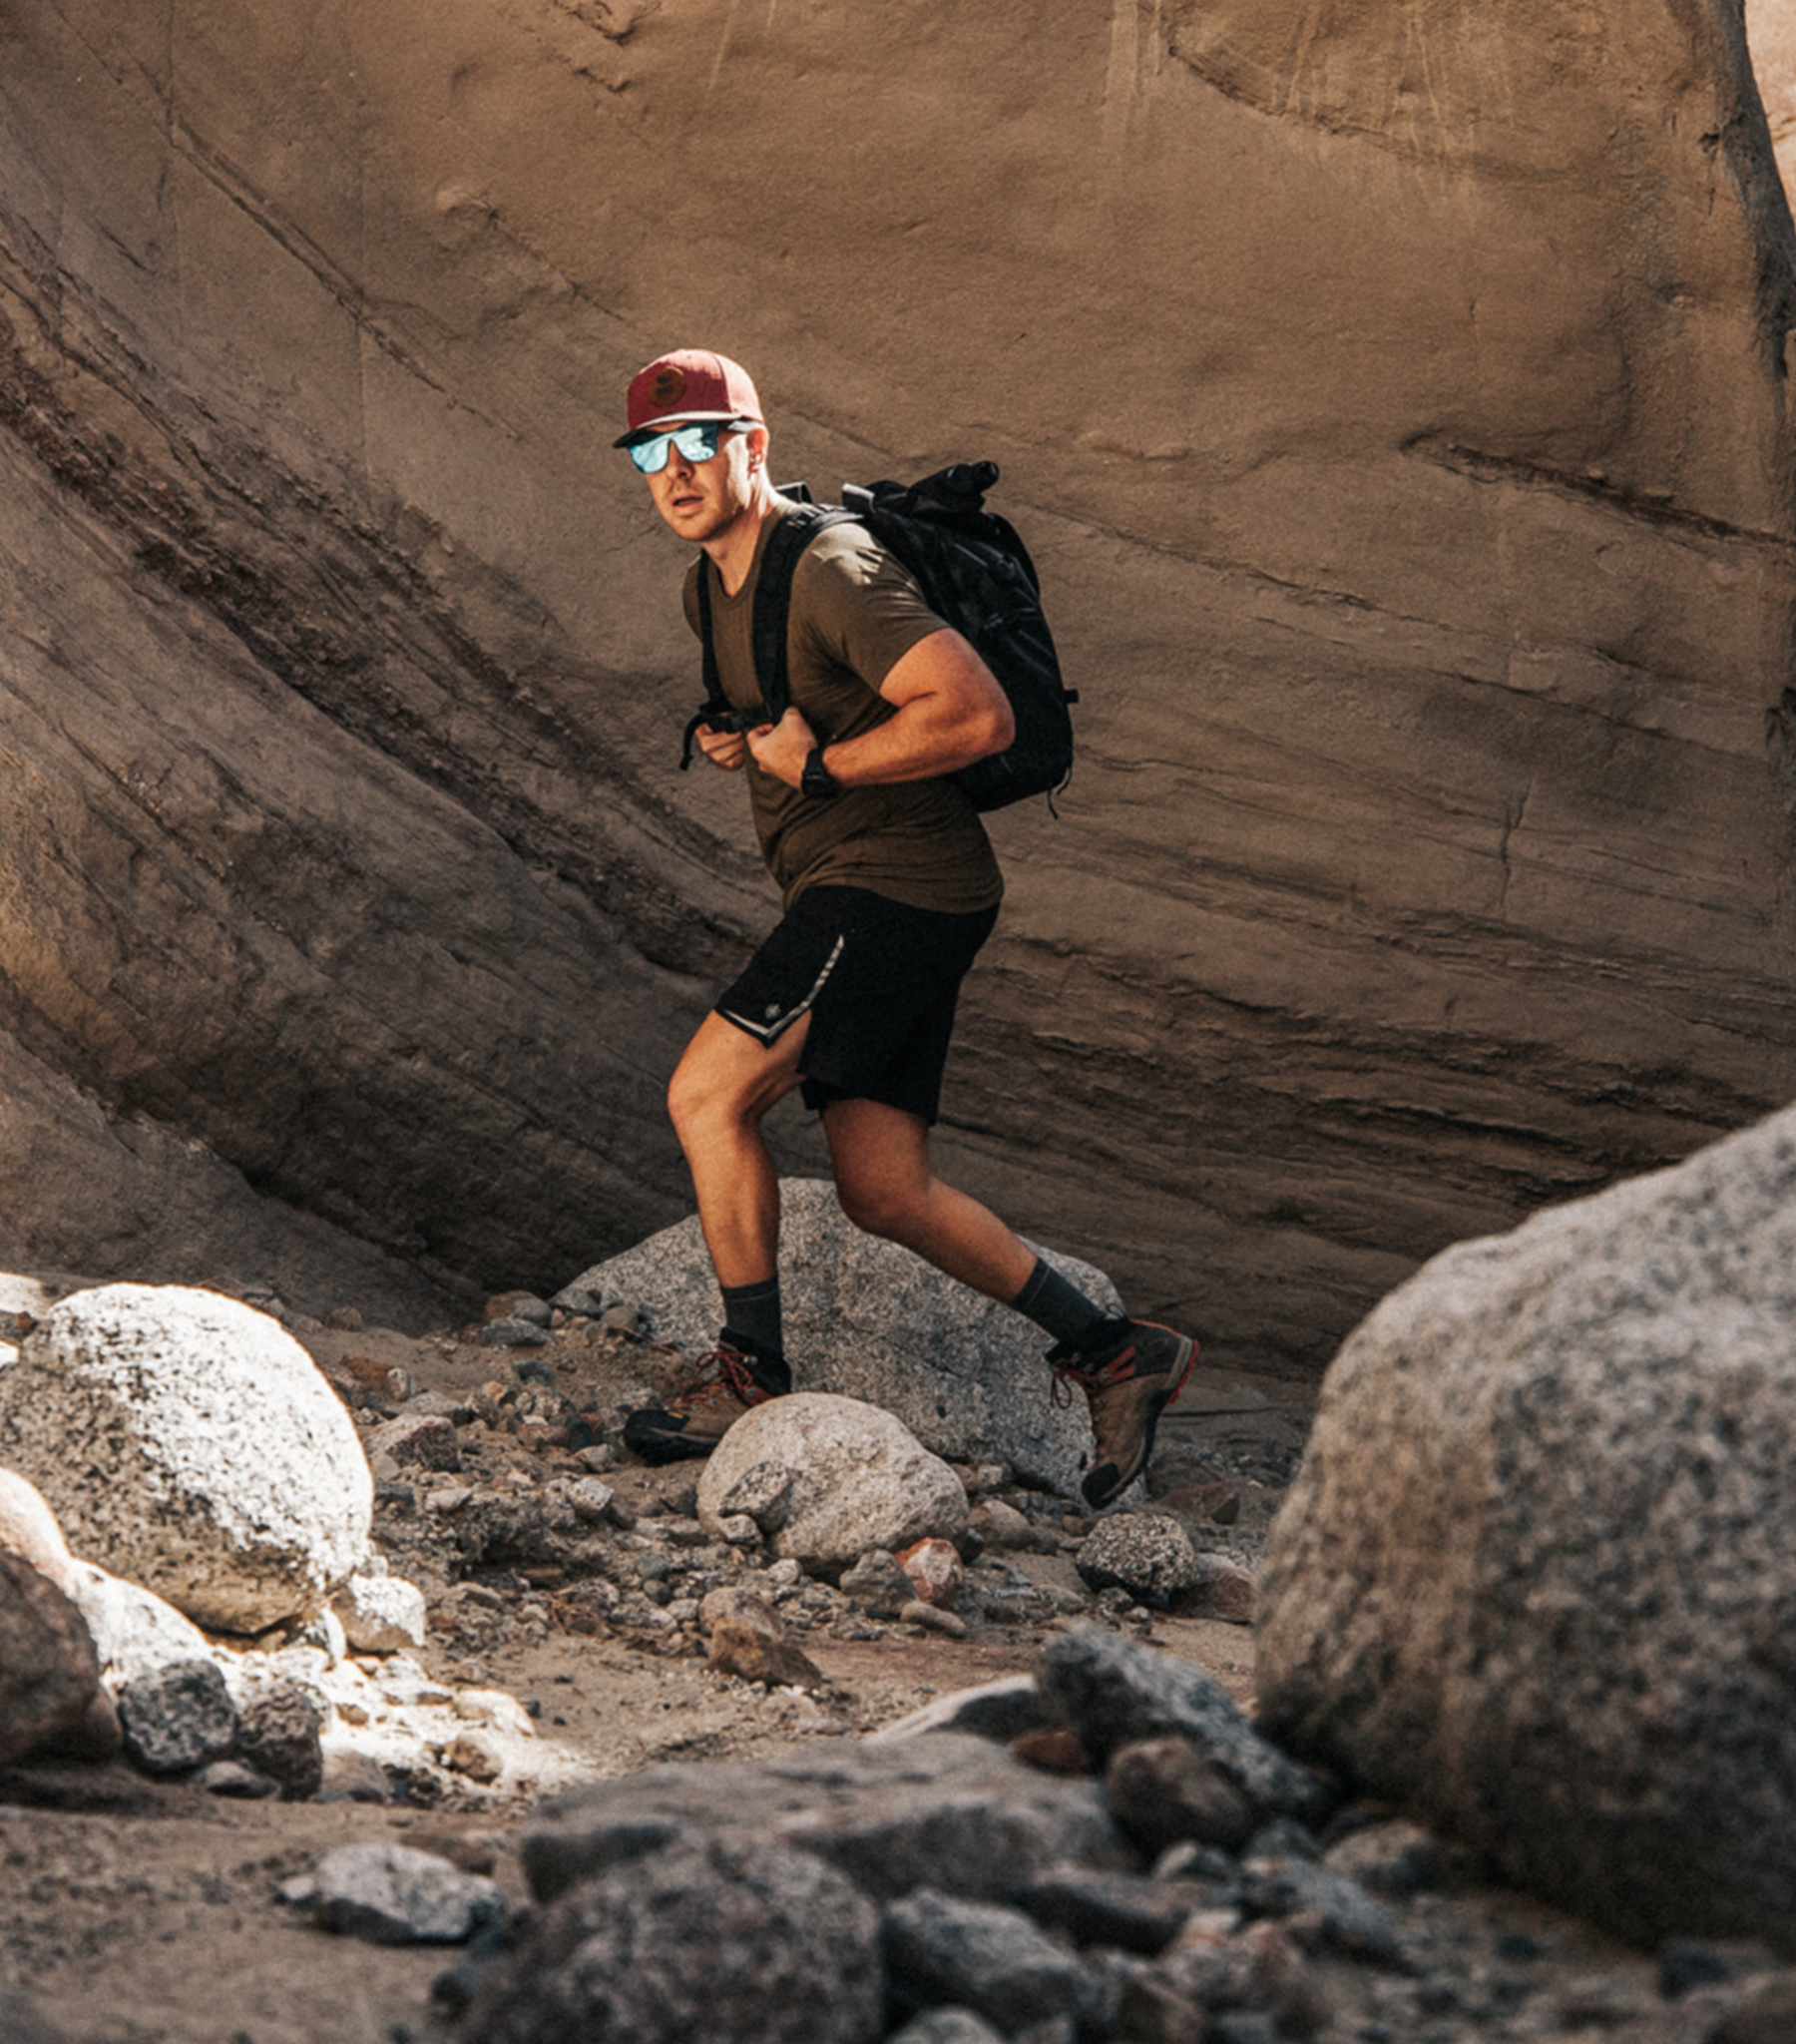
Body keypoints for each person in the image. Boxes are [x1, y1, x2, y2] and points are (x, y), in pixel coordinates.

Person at [614, 347, 1196, 1508]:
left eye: (699, 441)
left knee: (706, 1094)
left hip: (890, 884)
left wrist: (819, 766)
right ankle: (1117, 1349)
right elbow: (803, 710)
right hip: (891, 892)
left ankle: (748, 1374)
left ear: (752, 446)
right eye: (650, 450)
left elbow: (975, 712)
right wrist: (746, 736)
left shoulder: (831, 566)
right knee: (884, 1189)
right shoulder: (708, 589)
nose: (675, 470)